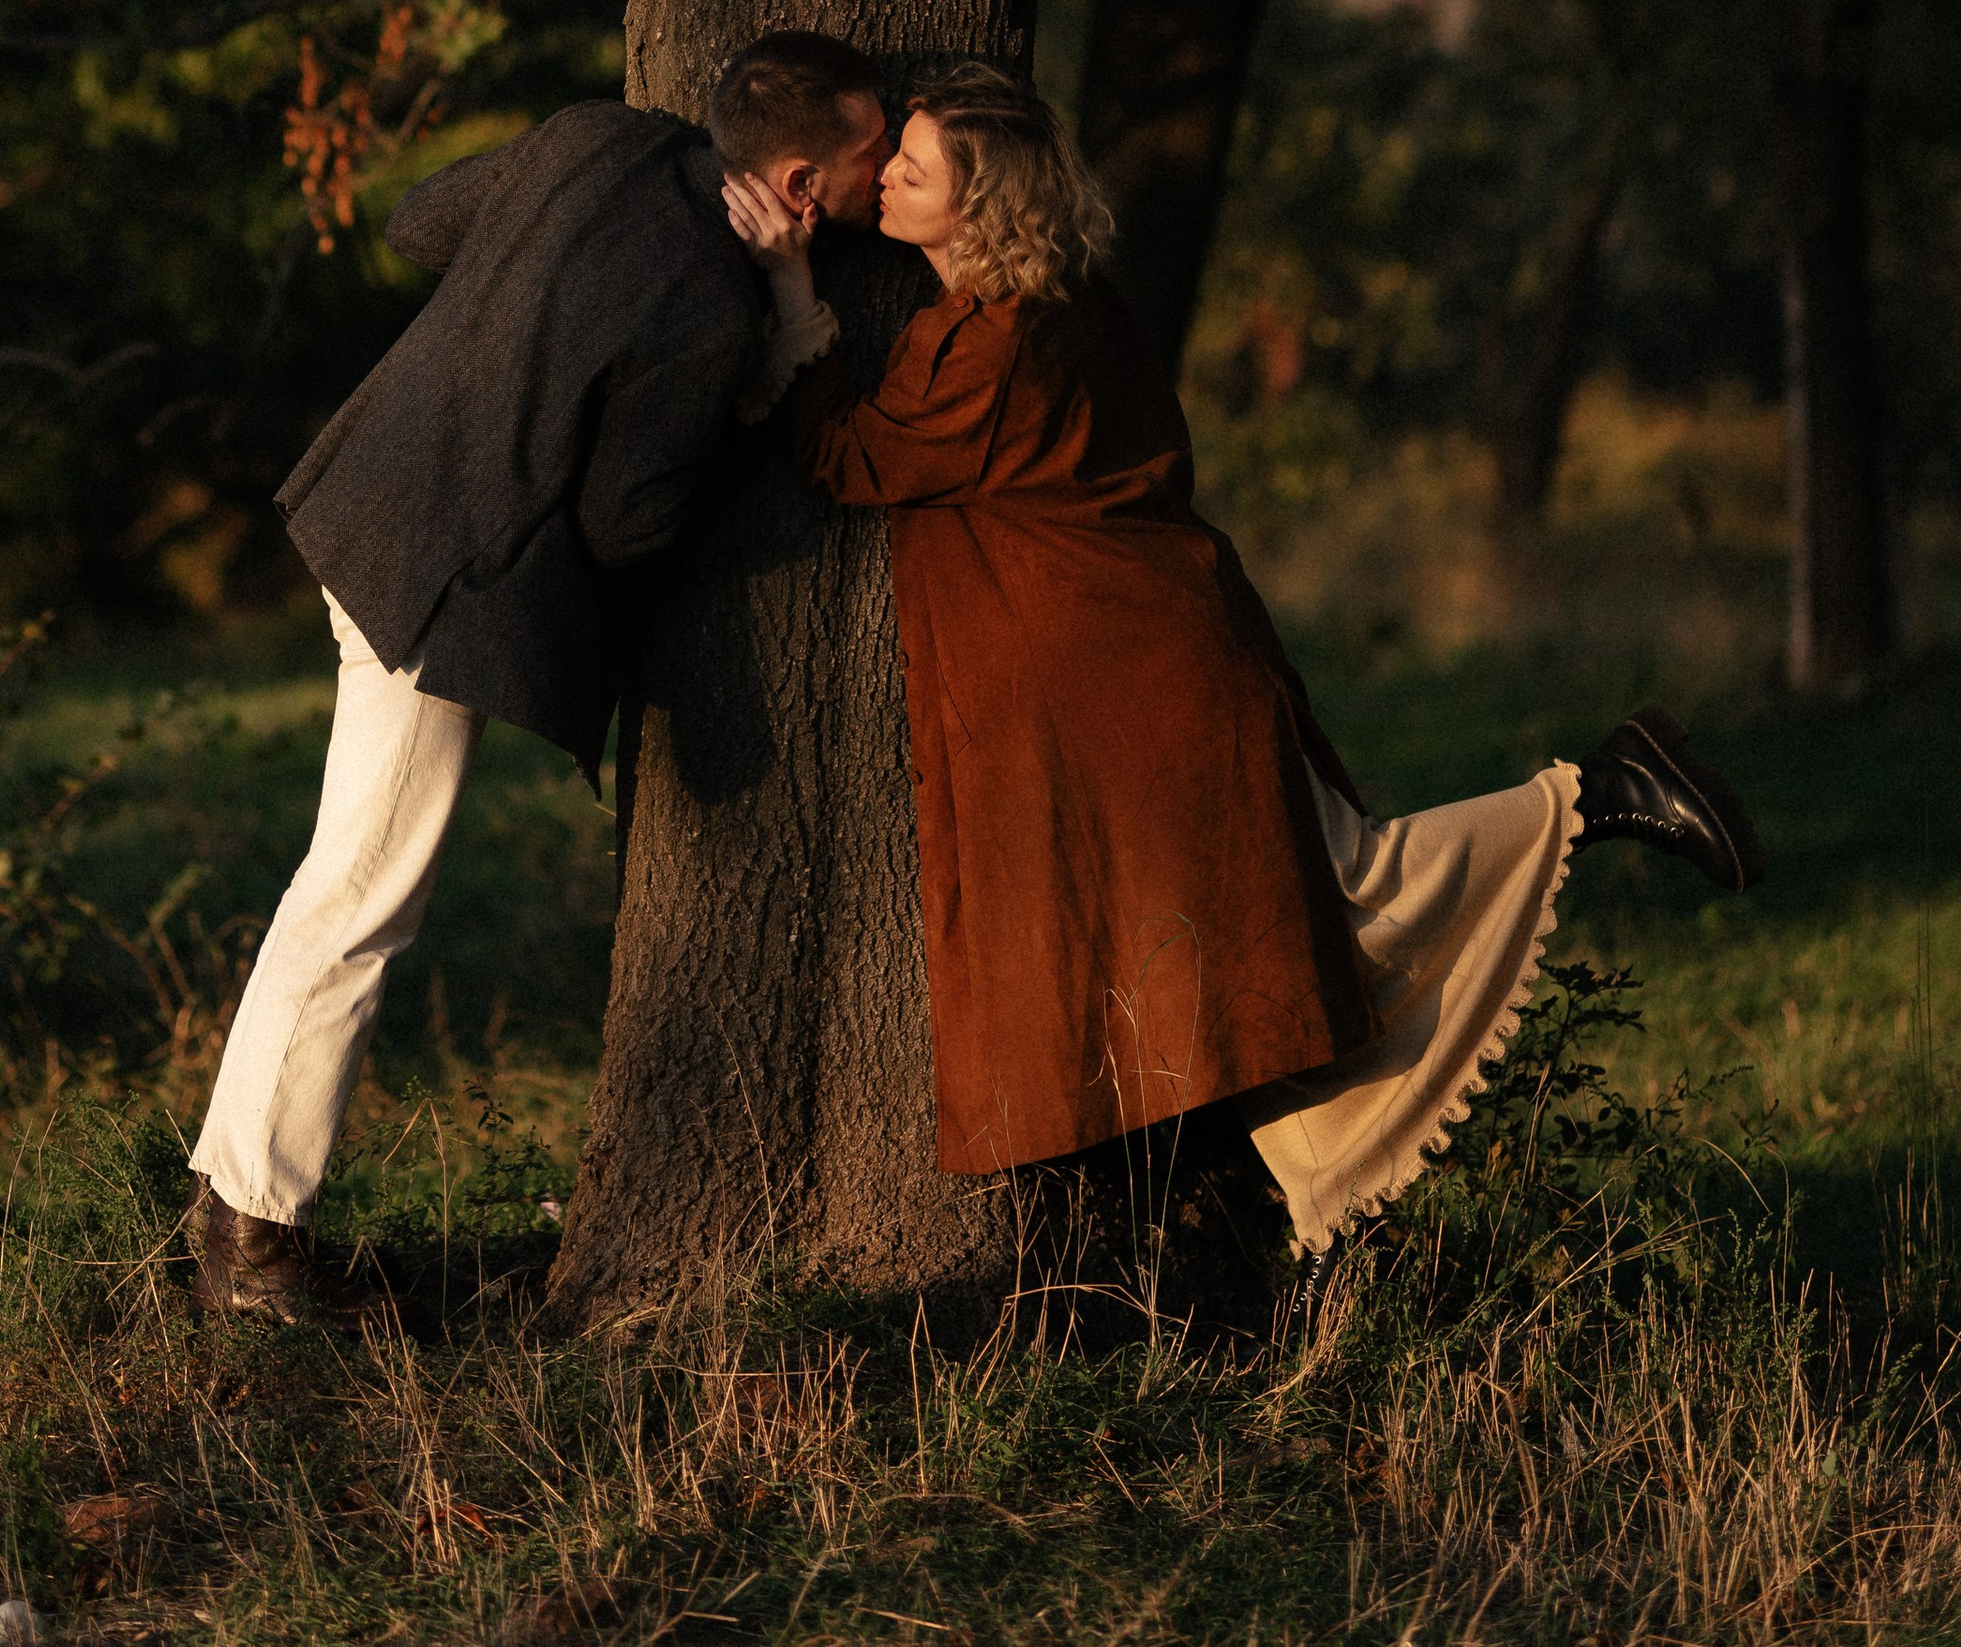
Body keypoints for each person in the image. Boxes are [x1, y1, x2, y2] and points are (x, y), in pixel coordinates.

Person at [727, 64, 1763, 1266]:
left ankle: (1599, 792)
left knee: (1323, 905)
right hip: (1149, 664)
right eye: (894, 158)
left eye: (916, 170)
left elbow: (852, 461)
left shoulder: (994, 341)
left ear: (980, 207)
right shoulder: (1045, 303)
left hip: (1151, 686)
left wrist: (789, 284)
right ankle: (1254, 1236)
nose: (892, 181)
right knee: (1222, 956)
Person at [184, 28, 890, 1319]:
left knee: (348, 882)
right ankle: (250, 1243)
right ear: (797, 189)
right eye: (867, 158)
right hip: (441, 584)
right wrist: (779, 348)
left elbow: (416, 223)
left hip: (369, 500)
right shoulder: (718, 306)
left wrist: (526, 316)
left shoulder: (594, 136)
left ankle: (236, 1204)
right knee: (360, 896)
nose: (882, 178)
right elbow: (633, 522)